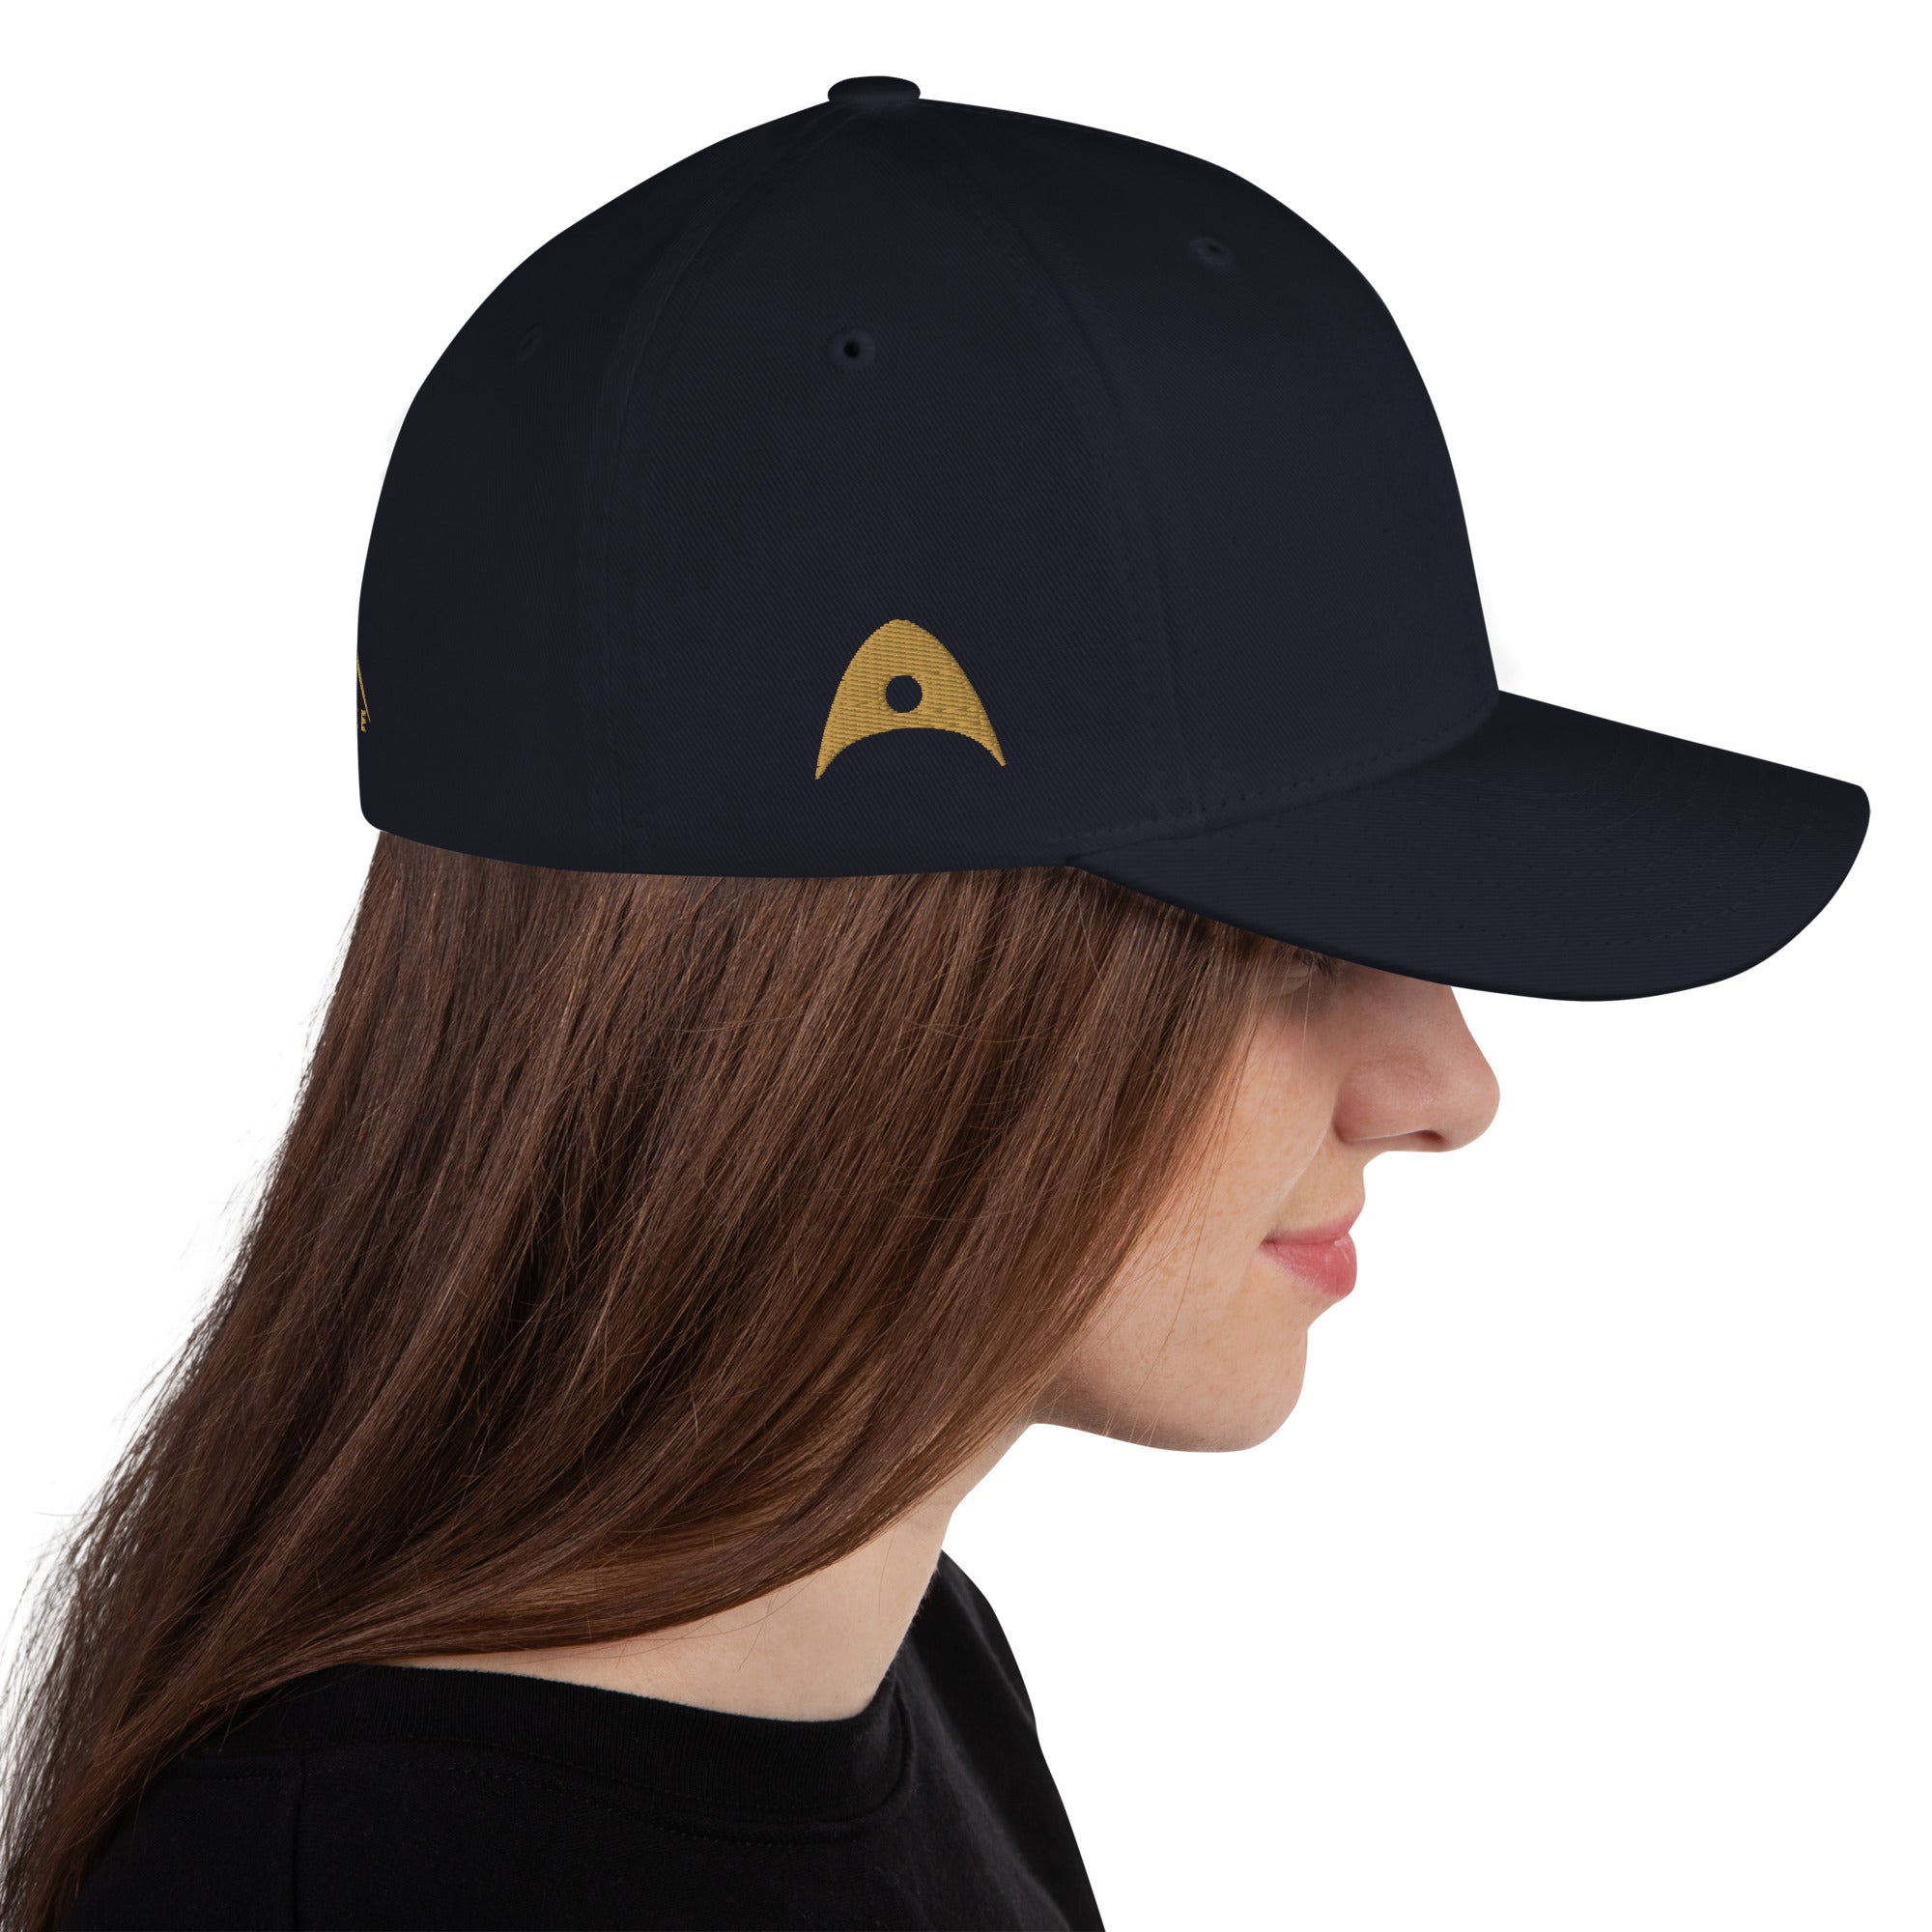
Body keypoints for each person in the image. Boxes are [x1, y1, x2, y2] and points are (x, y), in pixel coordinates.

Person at [2, 75, 1863, 1932]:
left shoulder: (894, 1668)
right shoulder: (360, 1894)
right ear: (847, 1012)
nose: (1448, 1086)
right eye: (1291, 941)